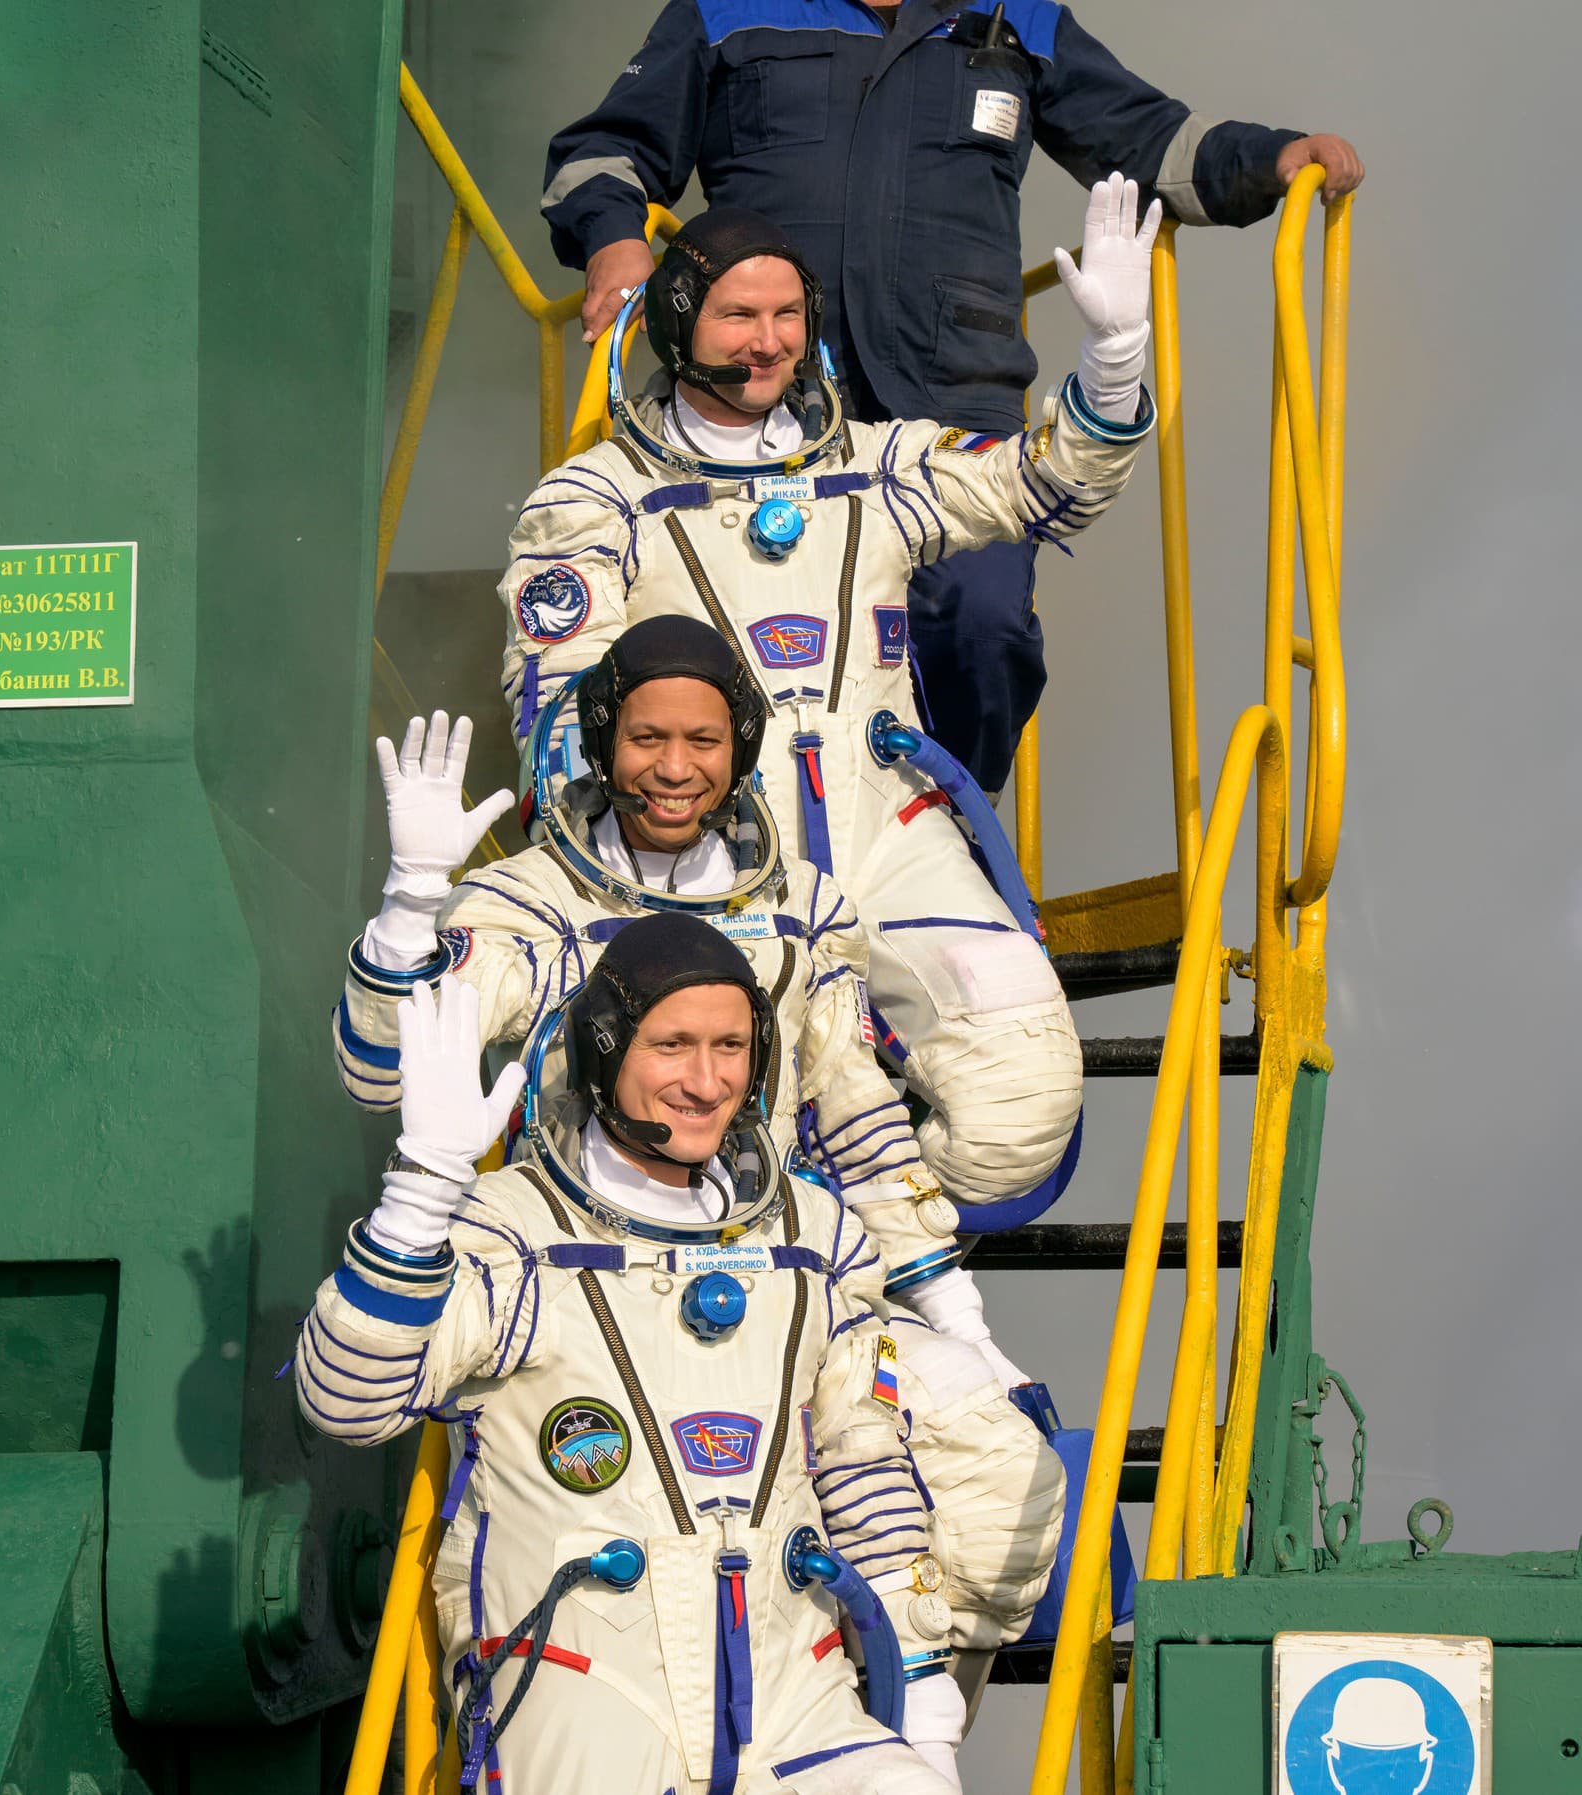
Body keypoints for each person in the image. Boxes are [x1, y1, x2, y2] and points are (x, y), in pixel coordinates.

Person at [335, 615, 1066, 1680]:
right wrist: (409, 912)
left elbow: (857, 1116)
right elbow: (376, 1069)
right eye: (643, 740)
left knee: (994, 1474)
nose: (672, 770)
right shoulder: (531, 905)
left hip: (780, 1269)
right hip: (581, 1280)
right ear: (599, 740)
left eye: (703, 742)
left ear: (741, 748)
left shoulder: (803, 912)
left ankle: (909, 1721)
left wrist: (956, 1314)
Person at [497, 183, 1155, 1211]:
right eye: (737, 317)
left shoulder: (878, 467)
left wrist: (1113, 362)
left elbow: (1045, 485)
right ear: (678, 323)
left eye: (785, 317)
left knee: (1021, 1099)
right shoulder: (595, 501)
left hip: (886, 830)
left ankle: (874, 1258)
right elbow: (559, 723)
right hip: (709, 860)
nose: (767, 344)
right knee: (708, 1122)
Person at [541, 0, 1363, 792]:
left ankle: (952, 836)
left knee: (982, 622)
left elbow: (1151, 141)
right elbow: (606, 147)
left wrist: (1274, 159)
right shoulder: (728, 10)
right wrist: (614, 238)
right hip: (764, 407)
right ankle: (734, 860)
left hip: (951, 406)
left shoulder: (1018, 20)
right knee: (733, 629)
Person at [301, 922, 977, 1791]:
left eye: (732, 1046)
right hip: (584, 1691)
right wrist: (425, 1182)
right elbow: (346, 1399)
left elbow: (865, 1470)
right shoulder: (514, 1230)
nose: (707, 1081)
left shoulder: (815, 1240)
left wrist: (922, 1708)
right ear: (604, 1050)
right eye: (672, 1045)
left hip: (794, 1695)